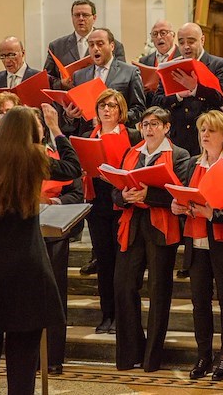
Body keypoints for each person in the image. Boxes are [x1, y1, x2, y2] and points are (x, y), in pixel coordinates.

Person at [0, 105, 82, 394]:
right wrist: (57, 130)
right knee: (22, 370)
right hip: (25, 272)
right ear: (31, 132)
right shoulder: (34, 158)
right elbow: (72, 168)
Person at [171, 110, 223, 381]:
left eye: (211, 130)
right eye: (202, 130)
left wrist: (213, 215)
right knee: (199, 302)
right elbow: (184, 194)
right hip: (197, 241)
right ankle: (203, 354)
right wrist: (178, 206)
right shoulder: (194, 164)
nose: (205, 135)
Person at [111, 106, 189, 372]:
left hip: (161, 227)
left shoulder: (179, 155)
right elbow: (115, 189)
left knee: (159, 291)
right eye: (145, 124)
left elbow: (181, 194)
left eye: (155, 124)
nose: (148, 129)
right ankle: (132, 351)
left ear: (167, 128)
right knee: (123, 286)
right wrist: (123, 197)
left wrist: (150, 196)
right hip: (132, 225)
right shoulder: (132, 153)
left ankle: (151, 358)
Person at [82, 89, 141, 334]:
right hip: (97, 205)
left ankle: (121, 316)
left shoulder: (133, 136)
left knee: (121, 264)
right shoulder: (88, 135)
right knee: (104, 261)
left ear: (121, 111)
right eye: (102, 105)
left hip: (123, 204)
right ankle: (107, 314)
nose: (107, 110)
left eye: (112, 106)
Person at [35, 107, 84, 375]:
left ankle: (53, 357)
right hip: (28, 233)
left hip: (54, 230)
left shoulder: (49, 157)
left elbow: (75, 188)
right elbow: (72, 165)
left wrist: (52, 200)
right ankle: (31, 356)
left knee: (54, 297)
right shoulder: (30, 157)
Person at [152, 22, 223, 156]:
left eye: (191, 41)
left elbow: (222, 98)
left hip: (208, 139)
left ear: (202, 40)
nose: (186, 47)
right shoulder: (171, 67)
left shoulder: (219, 65)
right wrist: (178, 95)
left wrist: (195, 88)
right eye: (181, 42)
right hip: (178, 140)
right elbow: (157, 102)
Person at [62, 27, 146, 134]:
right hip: (88, 135)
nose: (95, 48)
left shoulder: (130, 72)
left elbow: (139, 109)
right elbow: (75, 118)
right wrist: (70, 115)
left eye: (100, 44)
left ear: (112, 46)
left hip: (120, 135)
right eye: (91, 45)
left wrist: (114, 118)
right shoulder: (79, 76)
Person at [44, 0, 126, 83]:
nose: (81, 18)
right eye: (77, 15)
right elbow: (47, 78)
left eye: (85, 15)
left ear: (94, 18)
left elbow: (122, 75)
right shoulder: (56, 46)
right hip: (69, 94)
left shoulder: (113, 45)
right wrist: (61, 84)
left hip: (101, 94)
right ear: (72, 17)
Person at [0, 36, 40, 130]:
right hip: (2, 138)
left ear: (23, 53)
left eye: (11, 55)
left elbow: (47, 114)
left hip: (31, 136)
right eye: (2, 56)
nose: (7, 60)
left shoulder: (37, 78)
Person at [139, 20, 181, 107]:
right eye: (155, 34)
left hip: (176, 108)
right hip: (152, 109)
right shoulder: (144, 61)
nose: (159, 37)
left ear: (173, 35)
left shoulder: (182, 57)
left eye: (163, 33)